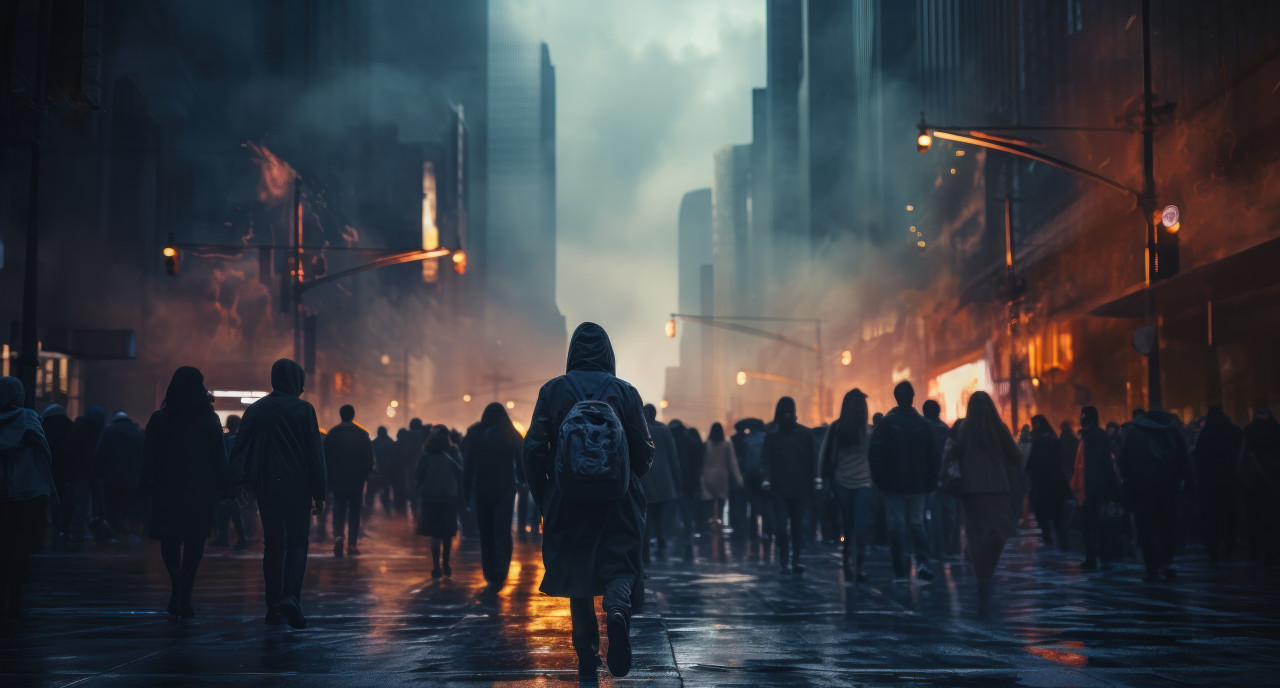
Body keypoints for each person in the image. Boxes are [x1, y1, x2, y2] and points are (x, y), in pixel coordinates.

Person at [522, 322, 654, 682]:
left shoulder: (553, 390)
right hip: (618, 500)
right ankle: (616, 612)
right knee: (622, 563)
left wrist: (546, 496)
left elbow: (533, 450)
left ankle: (586, 654)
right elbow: (643, 454)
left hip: (567, 501)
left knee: (578, 575)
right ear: (609, 354)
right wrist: (626, 479)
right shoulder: (626, 392)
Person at [230, 358, 326, 629]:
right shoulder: (304, 410)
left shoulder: (257, 409)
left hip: (266, 486)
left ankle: (272, 605)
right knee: (297, 542)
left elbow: (240, 449)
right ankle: (291, 598)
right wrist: (319, 492)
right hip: (298, 486)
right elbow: (314, 454)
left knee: (273, 543)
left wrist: (238, 484)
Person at [139, 367, 227, 619]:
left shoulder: (159, 419)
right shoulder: (209, 419)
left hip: (167, 488)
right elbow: (219, 457)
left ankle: (176, 586)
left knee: (169, 539)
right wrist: (226, 485)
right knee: (194, 541)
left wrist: (146, 481)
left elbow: (149, 455)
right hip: (199, 489)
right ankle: (185, 592)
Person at [953, 391, 1023, 615]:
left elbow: (956, 455)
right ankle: (987, 576)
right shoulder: (1000, 430)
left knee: (976, 537)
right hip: (997, 489)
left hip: (972, 490)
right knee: (998, 533)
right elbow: (1016, 456)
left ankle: (982, 579)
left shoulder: (965, 430)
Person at [868, 381, 940, 583]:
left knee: (896, 526)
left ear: (896, 398)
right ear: (912, 398)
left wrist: (880, 482)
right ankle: (923, 562)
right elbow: (934, 456)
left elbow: (875, 456)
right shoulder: (924, 425)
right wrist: (931, 481)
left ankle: (900, 570)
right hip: (918, 486)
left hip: (892, 487)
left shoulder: (885, 425)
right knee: (918, 524)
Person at [0, 377, 56, 619]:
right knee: (20, 550)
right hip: (26, 494)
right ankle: (13, 600)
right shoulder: (29, 417)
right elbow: (45, 453)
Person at [1118, 408, 1191, 582]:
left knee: (1146, 530)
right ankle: (1167, 563)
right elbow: (1185, 462)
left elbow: (1124, 462)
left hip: (1142, 491)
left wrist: (1128, 486)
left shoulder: (1134, 433)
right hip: (1168, 490)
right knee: (1168, 528)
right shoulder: (1172, 432)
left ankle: (1152, 569)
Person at [462, 403, 523, 586]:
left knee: (486, 531)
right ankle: (501, 570)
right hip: (505, 488)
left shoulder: (475, 433)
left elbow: (468, 465)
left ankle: (489, 572)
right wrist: (524, 480)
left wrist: (466, 491)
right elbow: (521, 459)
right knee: (503, 531)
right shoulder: (511, 432)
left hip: (482, 489)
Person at [817, 389, 874, 582]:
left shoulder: (863, 430)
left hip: (853, 483)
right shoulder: (839, 429)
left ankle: (855, 565)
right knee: (853, 526)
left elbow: (824, 457)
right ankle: (854, 565)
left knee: (854, 526)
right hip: (849, 483)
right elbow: (825, 456)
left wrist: (822, 479)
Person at [761, 396, 817, 575]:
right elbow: (766, 460)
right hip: (784, 489)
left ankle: (793, 559)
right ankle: (789, 559)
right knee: (785, 526)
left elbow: (812, 461)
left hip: (794, 488)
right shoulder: (776, 437)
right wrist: (767, 479)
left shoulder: (801, 435)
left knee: (795, 526)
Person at [1072, 405, 1122, 571]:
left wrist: (1085, 489)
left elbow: (1089, 466)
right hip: (1100, 488)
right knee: (1100, 525)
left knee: (1089, 525)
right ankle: (1103, 555)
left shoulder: (1090, 437)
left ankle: (1092, 557)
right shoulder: (1099, 435)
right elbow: (1106, 465)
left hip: (1091, 489)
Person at [1193, 407, 1242, 563]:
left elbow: (1199, 459)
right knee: (1229, 516)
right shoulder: (1234, 431)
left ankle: (1213, 549)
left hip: (1209, 484)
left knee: (1211, 518)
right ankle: (1229, 545)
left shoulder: (1206, 434)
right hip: (1230, 481)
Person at [325, 405, 373, 557]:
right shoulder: (362, 434)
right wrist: (365, 477)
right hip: (356, 480)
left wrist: (328, 479)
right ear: (353, 415)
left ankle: (339, 536)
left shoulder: (333, 434)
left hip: (337, 480)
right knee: (355, 511)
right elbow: (369, 459)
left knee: (338, 508)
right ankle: (352, 544)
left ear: (340, 415)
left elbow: (325, 458)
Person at [415, 426, 462, 578]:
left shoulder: (426, 455)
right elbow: (460, 474)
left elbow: (418, 477)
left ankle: (436, 566)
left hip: (429, 499)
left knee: (435, 535)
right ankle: (446, 563)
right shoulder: (453, 453)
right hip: (449, 498)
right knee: (447, 533)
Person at [640, 404, 681, 563]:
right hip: (665, 480)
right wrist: (678, 480)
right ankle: (661, 537)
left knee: (647, 513)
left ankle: (648, 539)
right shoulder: (665, 430)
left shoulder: (641, 429)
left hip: (646, 478)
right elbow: (674, 457)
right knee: (663, 514)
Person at [1239, 406, 1280, 564]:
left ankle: (1255, 551)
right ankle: (1273, 550)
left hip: (1254, 482)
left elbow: (1243, 458)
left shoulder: (1249, 431)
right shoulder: (1277, 430)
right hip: (1275, 482)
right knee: (1274, 517)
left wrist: (1242, 478)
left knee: (1254, 518)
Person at [95, 412, 145, 538]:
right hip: (132, 478)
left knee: (112, 507)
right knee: (132, 507)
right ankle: (132, 532)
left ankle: (114, 532)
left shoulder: (108, 431)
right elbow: (143, 454)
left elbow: (99, 453)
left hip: (111, 478)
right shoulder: (137, 432)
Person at [922, 399, 961, 561]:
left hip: (928, 479)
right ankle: (950, 548)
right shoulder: (945, 429)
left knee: (929, 517)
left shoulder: (922, 428)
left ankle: (935, 549)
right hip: (946, 479)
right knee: (949, 515)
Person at [1025, 415, 1071, 549]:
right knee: (1058, 521)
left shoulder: (1036, 443)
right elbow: (1062, 461)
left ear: (1037, 425)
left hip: (1041, 487)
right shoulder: (1055, 441)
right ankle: (1063, 547)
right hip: (1056, 486)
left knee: (1043, 521)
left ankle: (1051, 546)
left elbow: (1029, 465)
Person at [700, 422, 742, 560]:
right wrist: (738, 479)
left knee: (708, 506)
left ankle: (708, 529)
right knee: (721, 505)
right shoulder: (727, 444)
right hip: (722, 477)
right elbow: (733, 463)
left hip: (707, 477)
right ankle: (719, 528)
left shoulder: (707, 444)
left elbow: (702, 461)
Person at [212, 415, 249, 550]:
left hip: (226, 478)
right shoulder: (242, 439)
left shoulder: (225, 439)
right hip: (237, 479)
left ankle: (224, 538)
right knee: (235, 510)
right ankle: (241, 538)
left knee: (224, 510)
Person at [41, 405, 75, 538]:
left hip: (50, 469)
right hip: (68, 470)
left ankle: (54, 524)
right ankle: (65, 526)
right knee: (66, 498)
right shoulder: (71, 427)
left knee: (51, 499)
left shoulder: (45, 427)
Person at [367, 426, 395, 515]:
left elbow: (369, 458)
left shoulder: (374, 443)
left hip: (375, 472)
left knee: (371, 493)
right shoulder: (391, 443)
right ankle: (387, 512)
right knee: (386, 492)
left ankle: (368, 513)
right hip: (388, 472)